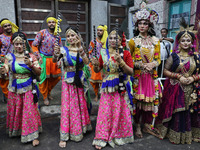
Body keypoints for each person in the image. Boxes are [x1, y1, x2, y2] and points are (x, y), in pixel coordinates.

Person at [155, 20, 200, 144]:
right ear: (179, 43)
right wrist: (178, 76)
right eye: (183, 41)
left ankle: (190, 135)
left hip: (192, 90)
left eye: (188, 41)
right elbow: (164, 71)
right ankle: (174, 135)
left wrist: (193, 78)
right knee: (177, 113)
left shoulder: (196, 57)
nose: (186, 43)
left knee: (190, 112)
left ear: (192, 43)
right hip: (175, 88)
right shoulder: (173, 56)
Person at [91, 29, 134, 149]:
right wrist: (95, 65)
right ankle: (102, 136)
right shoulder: (103, 52)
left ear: (121, 40)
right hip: (107, 87)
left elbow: (131, 71)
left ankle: (118, 135)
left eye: (116, 38)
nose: (113, 40)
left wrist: (121, 62)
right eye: (110, 38)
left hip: (121, 86)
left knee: (119, 112)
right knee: (105, 112)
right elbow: (97, 70)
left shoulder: (125, 53)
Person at [0, 31, 42, 146]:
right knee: (17, 110)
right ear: (13, 44)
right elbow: (6, 69)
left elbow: (39, 72)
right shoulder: (9, 57)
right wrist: (3, 72)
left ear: (25, 44)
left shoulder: (31, 56)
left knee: (29, 111)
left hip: (29, 87)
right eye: (16, 44)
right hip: (15, 88)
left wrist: (30, 65)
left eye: (21, 44)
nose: (18, 46)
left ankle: (33, 135)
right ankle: (18, 130)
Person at [53, 26, 92, 148]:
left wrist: (80, 48)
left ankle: (81, 129)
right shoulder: (63, 50)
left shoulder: (81, 48)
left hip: (79, 81)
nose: (70, 38)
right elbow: (55, 61)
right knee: (68, 107)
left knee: (80, 105)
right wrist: (55, 53)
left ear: (77, 36)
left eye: (73, 35)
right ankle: (64, 135)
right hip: (67, 83)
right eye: (68, 36)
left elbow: (86, 62)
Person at [128, 2, 162, 138]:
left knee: (149, 102)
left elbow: (158, 59)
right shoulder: (133, 41)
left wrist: (153, 64)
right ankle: (137, 126)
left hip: (150, 76)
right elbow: (129, 60)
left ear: (149, 25)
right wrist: (141, 65)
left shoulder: (156, 40)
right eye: (140, 23)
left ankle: (147, 125)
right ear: (136, 25)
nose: (142, 26)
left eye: (145, 23)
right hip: (138, 77)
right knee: (138, 102)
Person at [32, 17, 62, 105]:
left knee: (56, 77)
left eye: (53, 22)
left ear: (56, 24)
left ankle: (48, 91)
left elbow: (60, 49)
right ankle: (45, 96)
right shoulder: (42, 33)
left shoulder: (58, 36)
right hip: (43, 58)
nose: (51, 24)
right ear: (47, 24)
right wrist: (38, 57)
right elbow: (34, 45)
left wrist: (59, 56)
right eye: (50, 22)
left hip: (53, 59)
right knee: (43, 79)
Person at [0, 18, 18, 102]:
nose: (8, 27)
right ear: (2, 28)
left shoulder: (15, 36)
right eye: (5, 26)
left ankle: (14, 97)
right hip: (4, 61)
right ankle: (8, 97)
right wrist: (1, 57)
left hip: (15, 60)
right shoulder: (0, 37)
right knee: (5, 81)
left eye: (9, 25)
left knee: (14, 79)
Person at [88, 25, 108, 101]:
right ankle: (96, 94)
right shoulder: (93, 41)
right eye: (98, 30)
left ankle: (102, 95)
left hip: (103, 64)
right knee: (94, 82)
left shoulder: (106, 42)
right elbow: (89, 52)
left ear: (104, 32)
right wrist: (92, 59)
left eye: (100, 30)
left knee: (102, 81)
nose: (98, 32)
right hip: (95, 64)